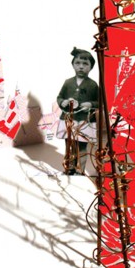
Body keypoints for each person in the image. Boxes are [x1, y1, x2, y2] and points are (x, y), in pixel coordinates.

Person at [56, 47, 99, 175]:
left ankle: (80, 170)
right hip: (69, 119)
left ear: (91, 67)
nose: (81, 67)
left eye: (85, 64)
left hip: (85, 121)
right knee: (69, 144)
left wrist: (90, 104)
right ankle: (69, 168)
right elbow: (59, 97)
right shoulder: (68, 83)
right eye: (78, 63)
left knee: (82, 146)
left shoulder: (93, 85)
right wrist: (63, 102)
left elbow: (99, 102)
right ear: (73, 65)